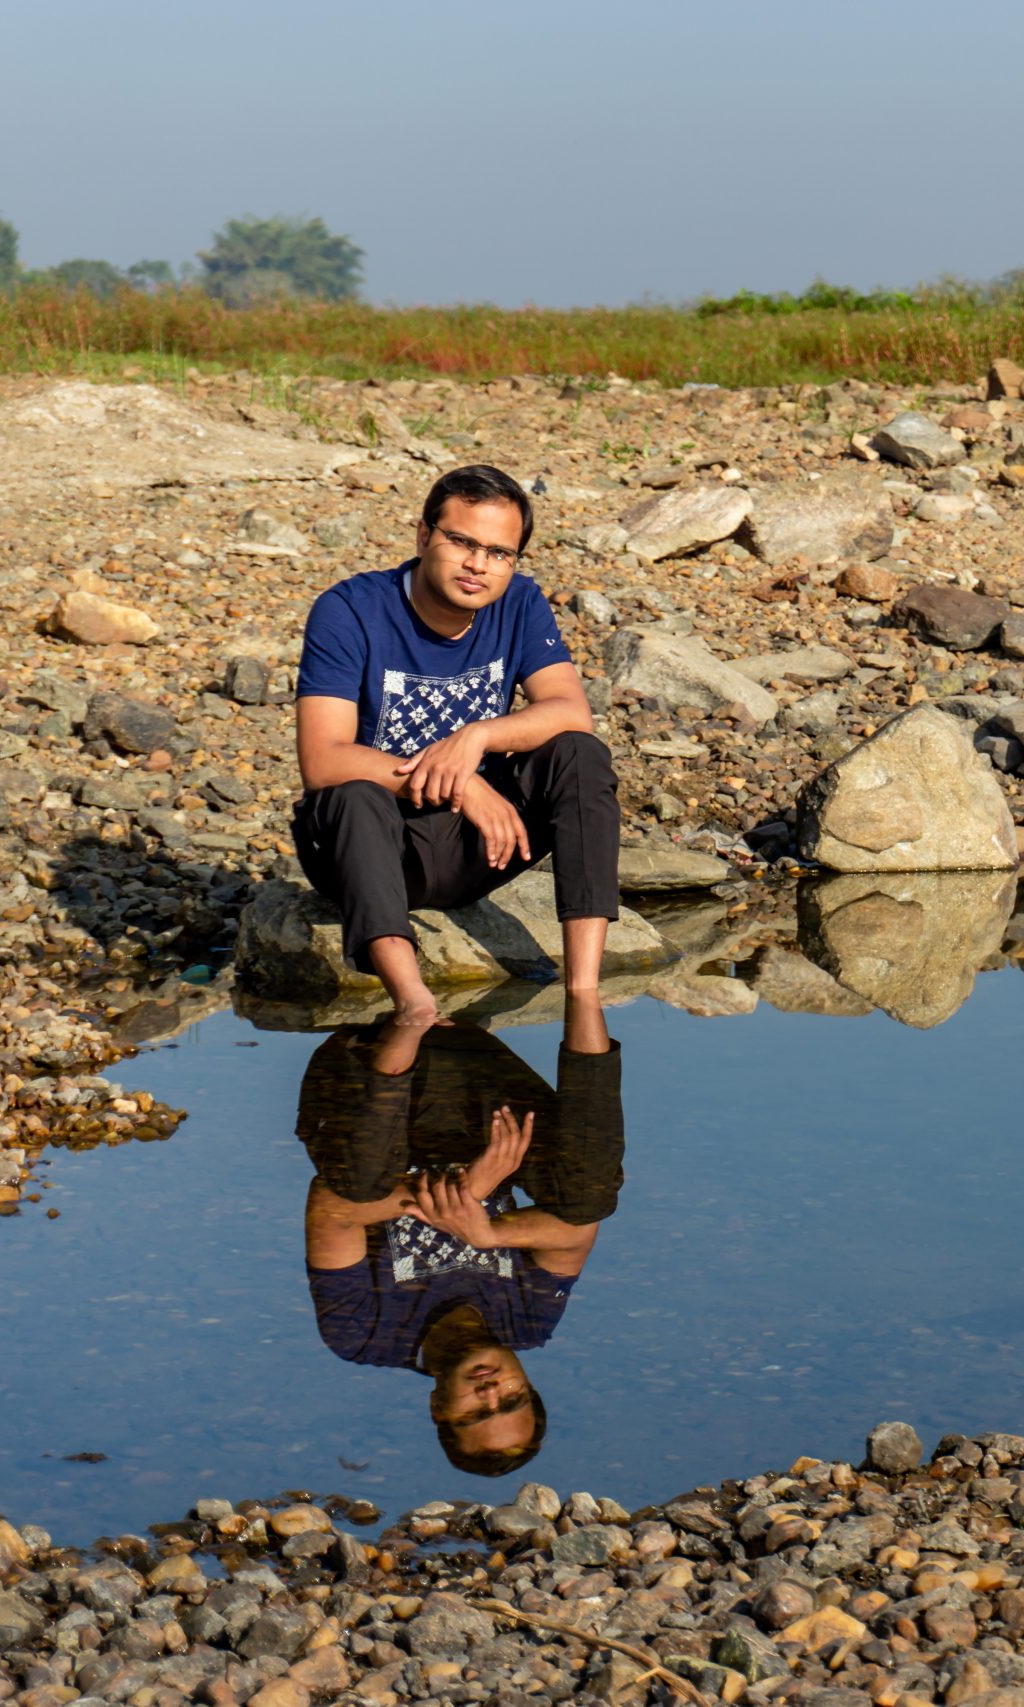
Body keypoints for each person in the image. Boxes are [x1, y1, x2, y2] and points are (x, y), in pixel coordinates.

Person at [292, 465, 618, 1020]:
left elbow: (571, 712)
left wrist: (478, 736)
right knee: (350, 795)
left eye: (499, 553)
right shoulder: (350, 610)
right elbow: (322, 760)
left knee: (579, 755)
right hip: (377, 848)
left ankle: (583, 994)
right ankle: (413, 1002)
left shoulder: (519, 603)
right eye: (461, 542)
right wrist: (464, 787)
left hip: (479, 847)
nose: (478, 565)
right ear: (423, 536)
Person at [297, 994, 623, 1476]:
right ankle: (584, 985)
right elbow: (577, 1231)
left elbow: (330, 1209)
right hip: (478, 1090)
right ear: (527, 1385)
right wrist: (487, 1232)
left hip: (372, 1084)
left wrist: (472, 1187)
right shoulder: (529, 1322)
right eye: (512, 1400)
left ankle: (408, 1020)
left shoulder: (363, 1335)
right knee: (590, 1192)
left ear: (438, 1410)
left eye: (476, 1413)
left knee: (361, 1182)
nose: (492, 1392)